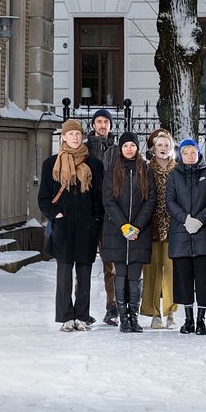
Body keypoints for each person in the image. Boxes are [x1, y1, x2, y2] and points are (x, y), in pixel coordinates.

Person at [38, 119, 104, 332]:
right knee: (64, 273)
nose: (75, 137)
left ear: (82, 137)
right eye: (71, 134)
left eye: (78, 134)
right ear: (63, 137)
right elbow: (44, 198)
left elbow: (99, 197)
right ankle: (66, 316)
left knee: (84, 274)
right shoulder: (51, 164)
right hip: (64, 226)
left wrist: (95, 219)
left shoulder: (94, 164)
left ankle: (82, 316)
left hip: (86, 226)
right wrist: (55, 214)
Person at [102, 132, 157, 333]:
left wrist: (137, 227)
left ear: (137, 148)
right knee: (120, 274)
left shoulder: (145, 170)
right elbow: (108, 200)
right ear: (121, 148)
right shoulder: (113, 170)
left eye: (132, 146)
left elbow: (150, 200)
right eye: (125, 146)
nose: (129, 149)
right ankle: (123, 318)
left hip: (139, 232)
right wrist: (124, 225)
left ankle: (134, 317)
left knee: (135, 275)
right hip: (117, 231)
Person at [166, 139, 206, 336]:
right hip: (181, 233)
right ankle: (188, 319)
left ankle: (201, 319)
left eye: (193, 152)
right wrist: (185, 219)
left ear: (198, 154)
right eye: (186, 152)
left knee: (204, 280)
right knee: (183, 279)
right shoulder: (174, 175)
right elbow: (170, 200)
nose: (190, 155)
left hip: (203, 234)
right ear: (180, 155)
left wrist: (200, 220)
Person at [142, 129, 179, 329]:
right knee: (152, 271)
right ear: (153, 149)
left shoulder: (178, 169)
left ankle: (171, 312)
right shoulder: (146, 169)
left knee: (172, 271)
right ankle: (155, 313)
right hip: (151, 226)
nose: (163, 149)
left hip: (174, 228)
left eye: (167, 145)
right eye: (160, 145)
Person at [85, 108, 118, 326]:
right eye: (99, 121)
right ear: (93, 125)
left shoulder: (117, 150)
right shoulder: (84, 150)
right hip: (88, 212)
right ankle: (81, 309)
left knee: (111, 263)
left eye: (106, 121)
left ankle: (112, 307)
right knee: (84, 262)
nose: (102, 125)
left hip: (110, 214)